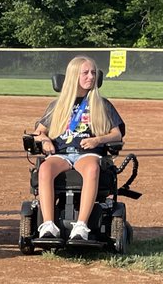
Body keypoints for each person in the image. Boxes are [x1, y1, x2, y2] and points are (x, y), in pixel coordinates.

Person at [32, 56, 125, 242]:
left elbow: (117, 134)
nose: (91, 77)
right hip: (61, 153)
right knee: (45, 168)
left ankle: (81, 225)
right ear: (74, 76)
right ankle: (48, 224)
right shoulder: (57, 105)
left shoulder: (102, 104)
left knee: (92, 168)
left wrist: (98, 140)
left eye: (93, 73)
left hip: (88, 153)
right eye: (85, 73)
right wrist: (45, 140)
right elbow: (38, 132)